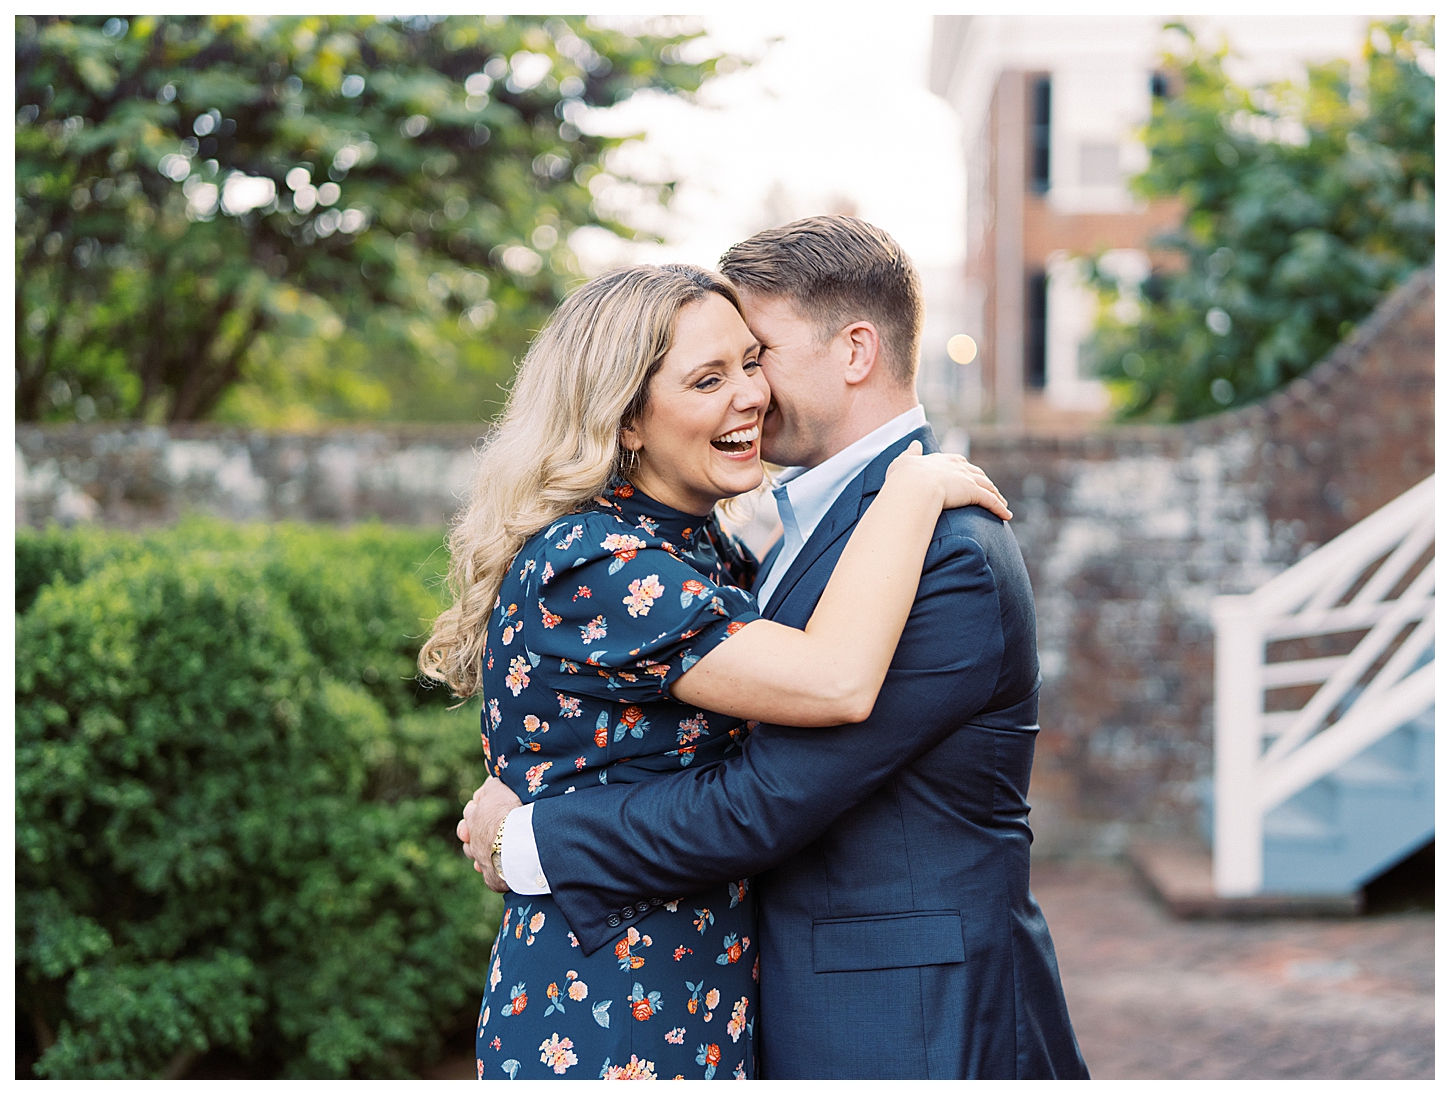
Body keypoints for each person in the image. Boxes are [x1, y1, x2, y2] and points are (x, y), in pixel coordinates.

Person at [461, 216, 1090, 1080]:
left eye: (757, 356)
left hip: (911, 1020)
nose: (750, 391)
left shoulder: (940, 552)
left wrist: (528, 838)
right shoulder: (627, 555)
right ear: (629, 416)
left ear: (855, 351)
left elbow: (764, 795)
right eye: (715, 371)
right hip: (626, 995)